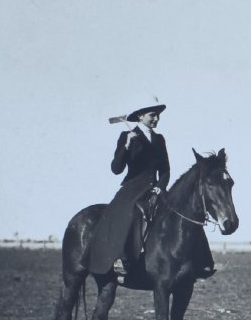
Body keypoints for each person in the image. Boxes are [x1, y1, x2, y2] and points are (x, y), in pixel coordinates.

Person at [88, 103, 214, 280]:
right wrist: (126, 145)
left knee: (183, 213)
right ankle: (122, 260)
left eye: (158, 115)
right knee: (130, 214)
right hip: (132, 189)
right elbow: (116, 168)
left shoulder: (159, 139)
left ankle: (202, 262)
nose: (156, 119)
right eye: (152, 115)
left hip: (155, 188)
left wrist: (160, 187)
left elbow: (165, 169)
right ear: (140, 116)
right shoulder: (126, 135)